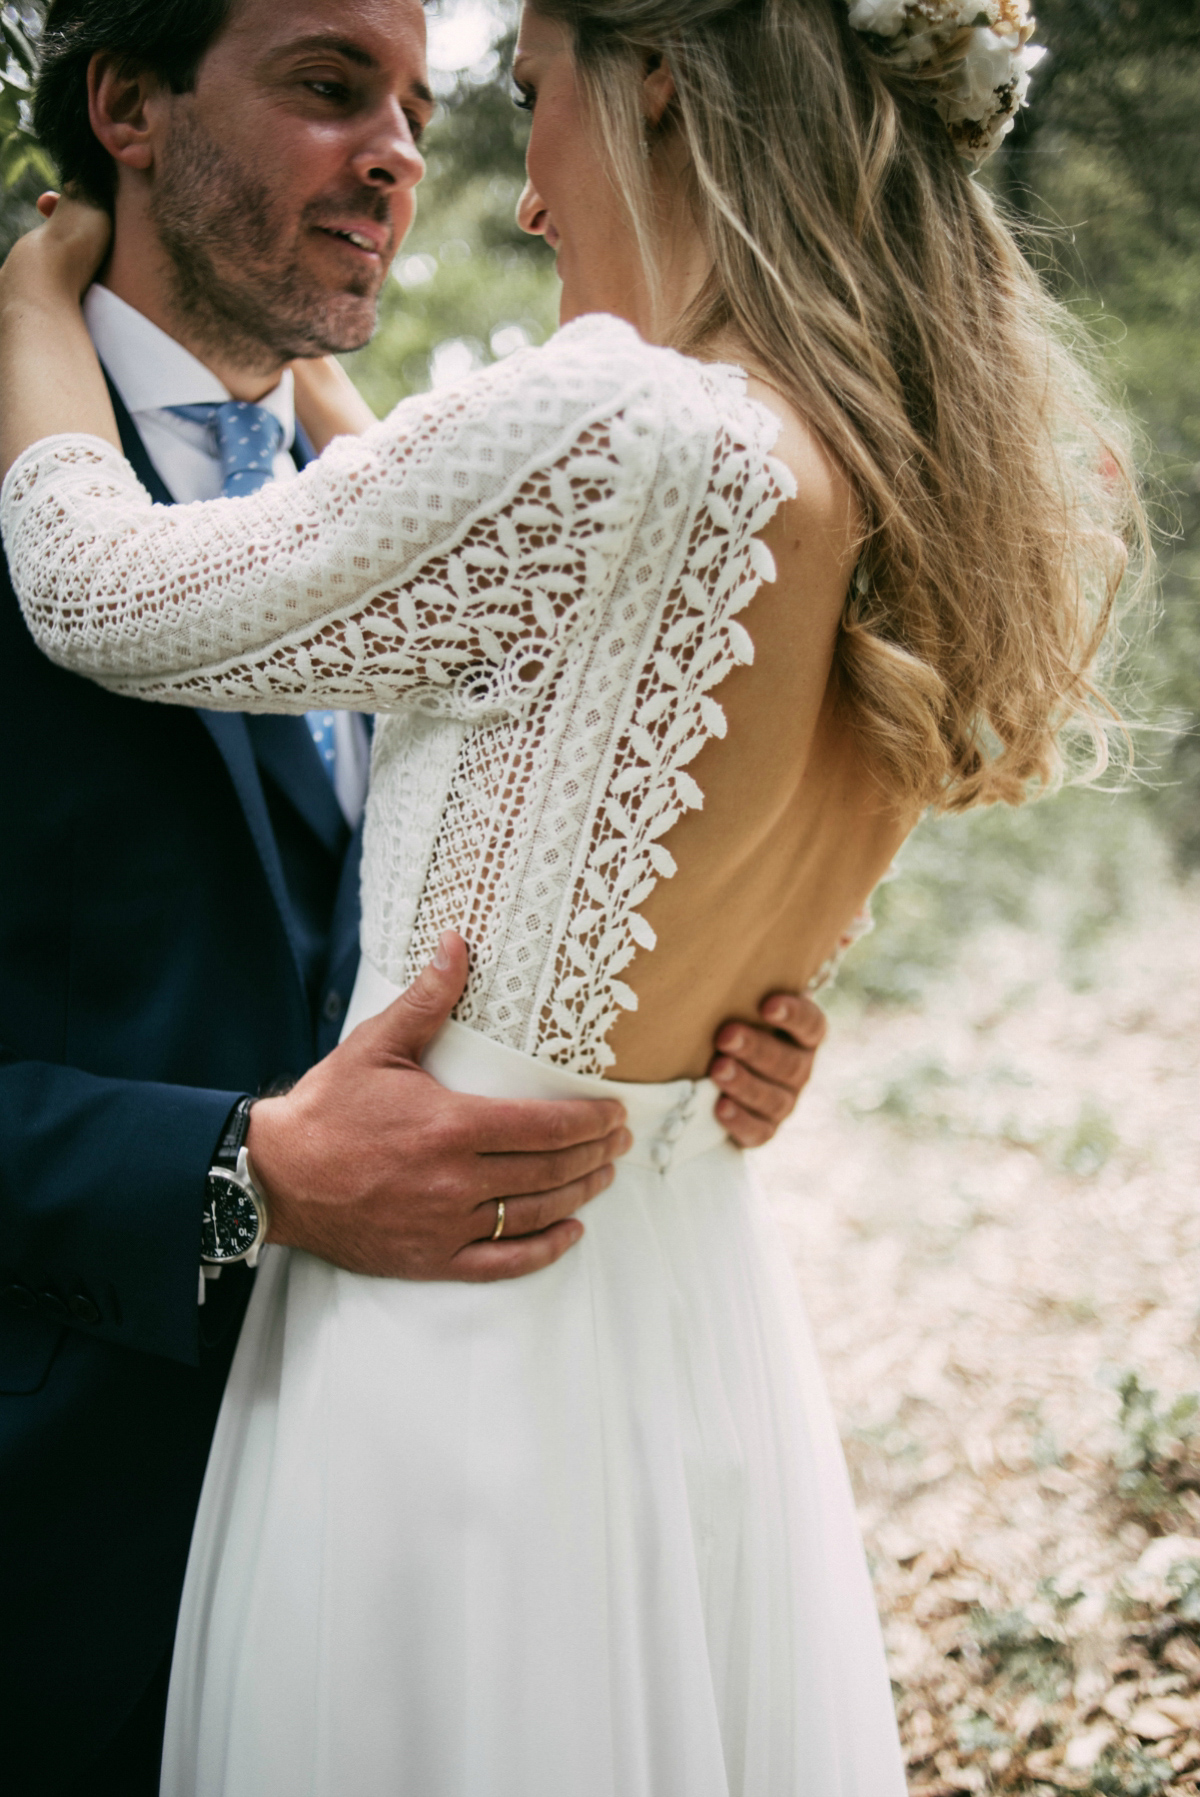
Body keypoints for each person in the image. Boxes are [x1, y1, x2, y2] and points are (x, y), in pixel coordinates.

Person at [0, 0, 1137, 1790]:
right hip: (669, 1373)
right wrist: (702, 1035)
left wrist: (23, 304)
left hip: (443, 1409)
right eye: (328, 85)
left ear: (662, 76)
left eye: (504, 99)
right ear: (124, 108)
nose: (497, 190)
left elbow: (92, 583)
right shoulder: (881, 468)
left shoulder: (611, 435)